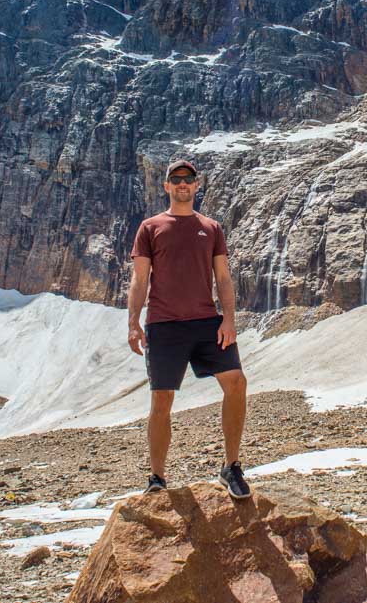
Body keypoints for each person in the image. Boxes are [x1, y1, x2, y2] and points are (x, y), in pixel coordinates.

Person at [127, 159, 251, 499]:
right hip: (164, 324)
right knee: (161, 400)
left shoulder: (211, 228)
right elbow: (139, 279)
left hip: (206, 322)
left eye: (189, 179)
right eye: (176, 179)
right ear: (166, 186)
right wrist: (133, 322)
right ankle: (156, 478)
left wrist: (228, 318)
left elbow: (223, 278)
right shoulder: (150, 227)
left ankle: (231, 466)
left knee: (236, 382)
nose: (183, 184)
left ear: (197, 186)